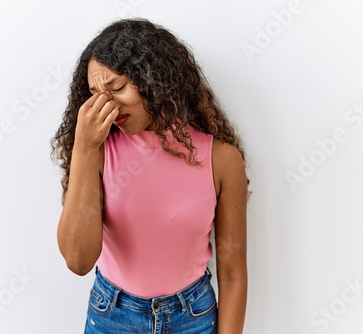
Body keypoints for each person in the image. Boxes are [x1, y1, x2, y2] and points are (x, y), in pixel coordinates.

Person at [51, 18, 248, 334]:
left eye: (116, 87)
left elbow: (233, 273)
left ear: (155, 80)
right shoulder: (98, 150)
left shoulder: (222, 160)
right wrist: (85, 147)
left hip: (193, 317)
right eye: (94, 94)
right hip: (113, 316)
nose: (107, 107)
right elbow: (78, 261)